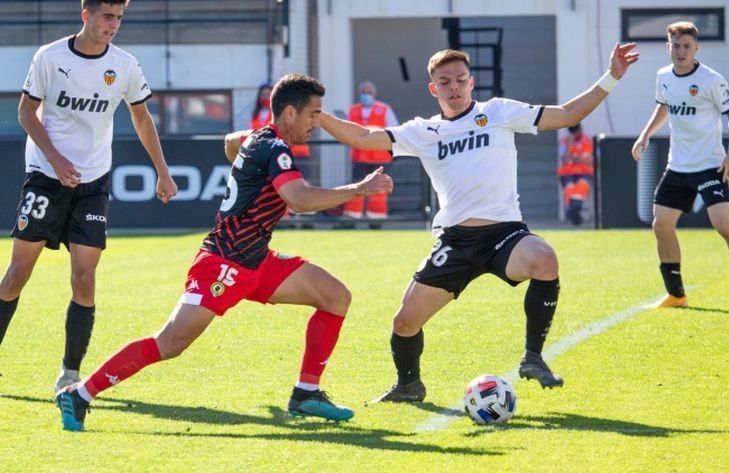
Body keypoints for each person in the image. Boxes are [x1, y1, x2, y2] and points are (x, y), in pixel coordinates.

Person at [55, 73, 393, 431]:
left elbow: (231, 144)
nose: (316, 124)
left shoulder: (260, 138)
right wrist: (361, 188)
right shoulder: (274, 148)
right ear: (290, 113)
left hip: (256, 260)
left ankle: (306, 393)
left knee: (335, 296)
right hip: (224, 264)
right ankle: (79, 394)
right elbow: (299, 199)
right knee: (170, 342)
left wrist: (247, 160)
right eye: (313, 115)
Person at [320, 44, 638, 401]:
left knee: (544, 258)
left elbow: (566, 114)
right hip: (455, 242)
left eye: (460, 79)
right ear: (433, 89)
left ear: (471, 82)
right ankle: (409, 386)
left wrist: (612, 76)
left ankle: (533, 357)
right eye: (445, 81)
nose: (453, 87)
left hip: (504, 234)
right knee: (404, 323)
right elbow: (362, 137)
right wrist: (317, 113)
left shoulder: (499, 112)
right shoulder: (423, 132)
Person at [0, 0, 178, 393]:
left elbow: (141, 117)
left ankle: (69, 373)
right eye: (106, 17)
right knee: (17, 275)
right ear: (86, 16)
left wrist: (163, 172)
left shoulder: (125, 65)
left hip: (93, 182)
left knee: (84, 279)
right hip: (46, 177)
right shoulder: (50, 57)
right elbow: (27, 113)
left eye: (119, 17)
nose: (113, 25)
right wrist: (56, 160)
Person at [631, 21, 729, 309]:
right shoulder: (663, 76)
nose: (681, 51)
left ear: (696, 48)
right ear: (668, 47)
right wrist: (645, 135)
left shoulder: (710, 79)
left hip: (710, 166)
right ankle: (677, 295)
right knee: (661, 224)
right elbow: (663, 106)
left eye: (687, 46)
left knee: (724, 226)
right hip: (677, 167)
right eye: (676, 46)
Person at [343, 81, 399, 220]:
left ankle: (377, 217)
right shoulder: (353, 110)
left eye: (369, 92)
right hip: (359, 157)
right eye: (363, 92)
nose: (366, 95)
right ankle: (352, 216)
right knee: (356, 185)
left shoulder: (384, 109)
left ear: (374, 94)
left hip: (380, 157)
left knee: (379, 188)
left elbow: (395, 130)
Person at [558, 122, 594, 225]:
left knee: (582, 185)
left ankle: (573, 210)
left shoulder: (588, 140)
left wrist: (575, 159)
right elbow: (565, 160)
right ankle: (575, 211)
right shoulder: (565, 142)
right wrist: (569, 145)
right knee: (570, 188)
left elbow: (593, 160)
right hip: (567, 174)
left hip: (585, 173)